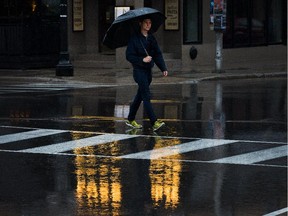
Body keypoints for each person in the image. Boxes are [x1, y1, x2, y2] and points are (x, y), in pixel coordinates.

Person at [125, 17, 168, 131]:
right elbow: (129, 56)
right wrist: (142, 60)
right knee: (146, 95)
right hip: (139, 71)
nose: (148, 25)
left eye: (150, 23)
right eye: (146, 23)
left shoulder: (151, 38)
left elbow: (157, 54)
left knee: (140, 95)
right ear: (141, 24)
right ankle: (154, 122)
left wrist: (163, 68)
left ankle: (130, 119)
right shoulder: (134, 39)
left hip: (148, 71)